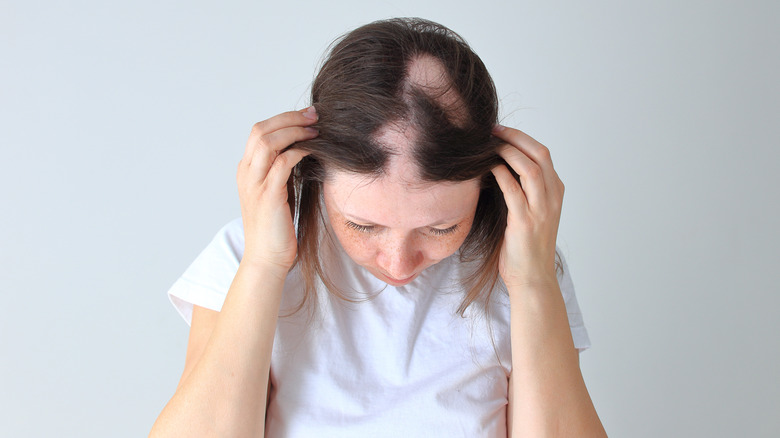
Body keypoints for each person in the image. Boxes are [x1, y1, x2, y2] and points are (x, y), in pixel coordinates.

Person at [150, 17, 606, 437]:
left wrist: (533, 282)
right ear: (315, 174)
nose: (399, 263)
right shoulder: (243, 253)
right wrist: (265, 264)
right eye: (363, 226)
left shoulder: (523, 265)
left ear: (489, 185)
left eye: (441, 228)